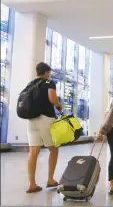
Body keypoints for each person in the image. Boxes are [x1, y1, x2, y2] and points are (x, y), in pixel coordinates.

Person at [26, 62, 63, 193]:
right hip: (45, 119)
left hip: (31, 120)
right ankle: (50, 179)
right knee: (53, 149)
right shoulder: (48, 83)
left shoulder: (31, 84)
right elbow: (52, 98)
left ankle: (32, 184)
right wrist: (59, 105)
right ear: (46, 72)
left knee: (33, 151)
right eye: (49, 72)